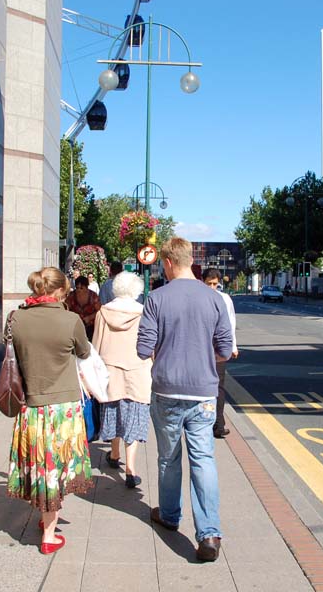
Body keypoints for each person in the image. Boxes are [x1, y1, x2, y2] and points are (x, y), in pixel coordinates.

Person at [137, 237, 233, 562]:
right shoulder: (215, 298)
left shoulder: (157, 297)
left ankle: (169, 514)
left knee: (168, 458)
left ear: (166, 262)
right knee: (203, 458)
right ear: (191, 260)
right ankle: (209, 534)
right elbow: (224, 350)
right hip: (204, 392)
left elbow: (142, 348)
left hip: (166, 389)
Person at [6, 267, 94, 555]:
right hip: (64, 408)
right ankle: (49, 533)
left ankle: (44, 515)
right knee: (56, 466)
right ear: (59, 292)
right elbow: (84, 352)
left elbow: (11, 354)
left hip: (31, 404)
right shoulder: (70, 320)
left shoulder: (15, 318)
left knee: (39, 463)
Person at [92, 271, 153, 489]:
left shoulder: (103, 313)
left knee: (113, 412)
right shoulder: (144, 313)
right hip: (138, 371)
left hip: (111, 372)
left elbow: (96, 346)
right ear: (136, 290)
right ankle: (131, 468)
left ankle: (114, 454)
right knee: (134, 415)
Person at [202, 269, 238, 438]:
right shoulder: (198, 298)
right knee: (203, 386)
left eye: (215, 284)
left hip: (217, 350)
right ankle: (203, 421)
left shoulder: (225, 299)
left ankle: (219, 424)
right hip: (201, 349)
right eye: (209, 283)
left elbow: (230, 323)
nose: (212, 287)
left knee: (219, 387)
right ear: (203, 282)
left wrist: (233, 346)